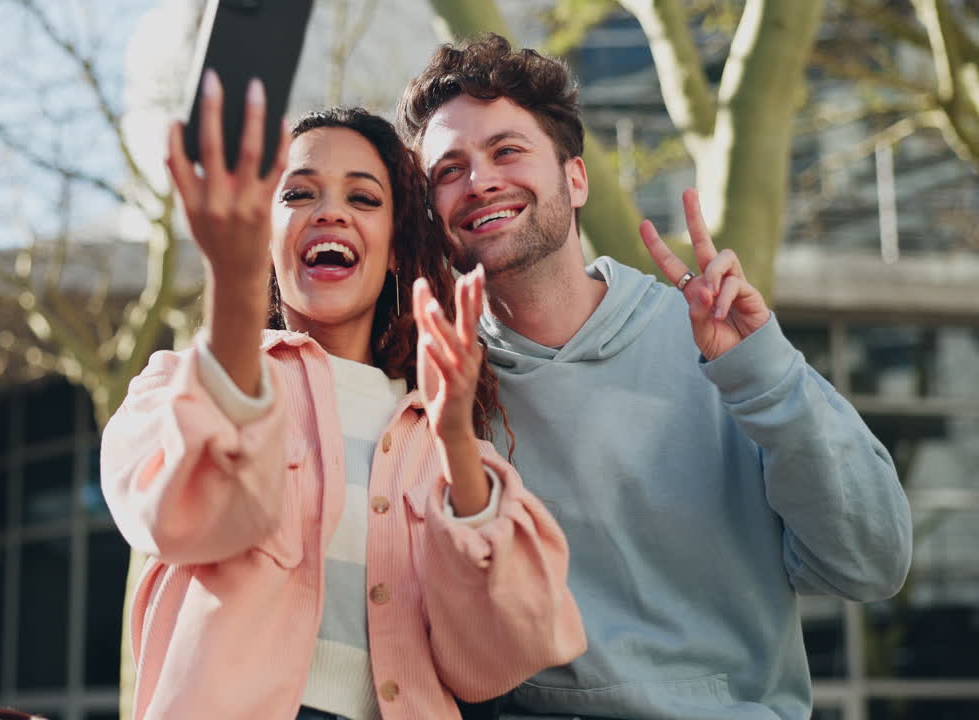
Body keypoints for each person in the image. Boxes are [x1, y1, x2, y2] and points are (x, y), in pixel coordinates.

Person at [395, 34, 913, 720]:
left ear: (575, 179)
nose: (480, 180)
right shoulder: (437, 385)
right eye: (449, 170)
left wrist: (766, 377)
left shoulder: (714, 341)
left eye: (506, 151)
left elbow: (871, 563)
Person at [99, 70, 586, 720]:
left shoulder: (435, 424)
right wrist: (233, 286)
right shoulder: (181, 387)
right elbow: (187, 516)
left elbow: (498, 658)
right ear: (266, 241)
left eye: (364, 198)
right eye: (298, 193)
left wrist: (456, 443)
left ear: (392, 249)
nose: (330, 212)